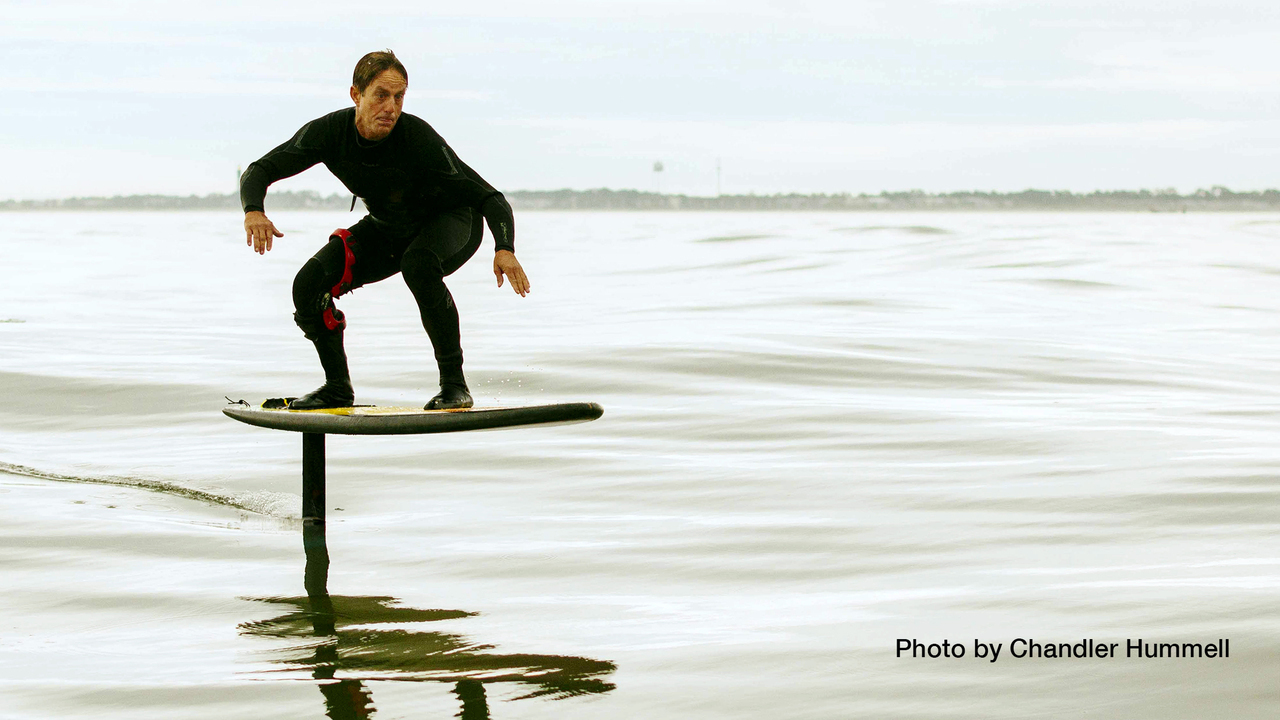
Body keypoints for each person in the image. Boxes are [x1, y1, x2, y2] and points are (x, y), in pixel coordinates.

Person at [240, 49, 528, 410]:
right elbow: (259, 170)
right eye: (381, 95)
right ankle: (336, 388)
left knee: (419, 264)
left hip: (452, 221)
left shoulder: (417, 138)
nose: (391, 107)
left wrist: (505, 247)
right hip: (388, 229)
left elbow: (490, 197)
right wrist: (254, 211)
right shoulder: (329, 132)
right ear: (356, 95)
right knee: (308, 285)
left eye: (399, 96)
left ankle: (455, 387)